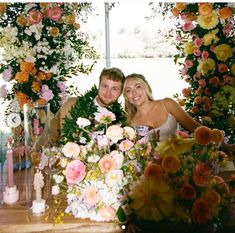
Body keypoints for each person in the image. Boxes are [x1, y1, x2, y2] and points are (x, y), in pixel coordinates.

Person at [34, 67, 126, 151]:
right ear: (99, 85)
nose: (108, 93)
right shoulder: (72, 104)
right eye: (105, 86)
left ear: (121, 92)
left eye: (114, 88)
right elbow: (51, 131)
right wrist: (36, 151)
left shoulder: (121, 121)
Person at [123, 73, 202, 141]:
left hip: (181, 157)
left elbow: (197, 129)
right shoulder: (131, 124)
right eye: (128, 90)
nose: (134, 93)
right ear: (126, 96)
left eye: (138, 86)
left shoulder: (167, 104)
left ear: (146, 87)